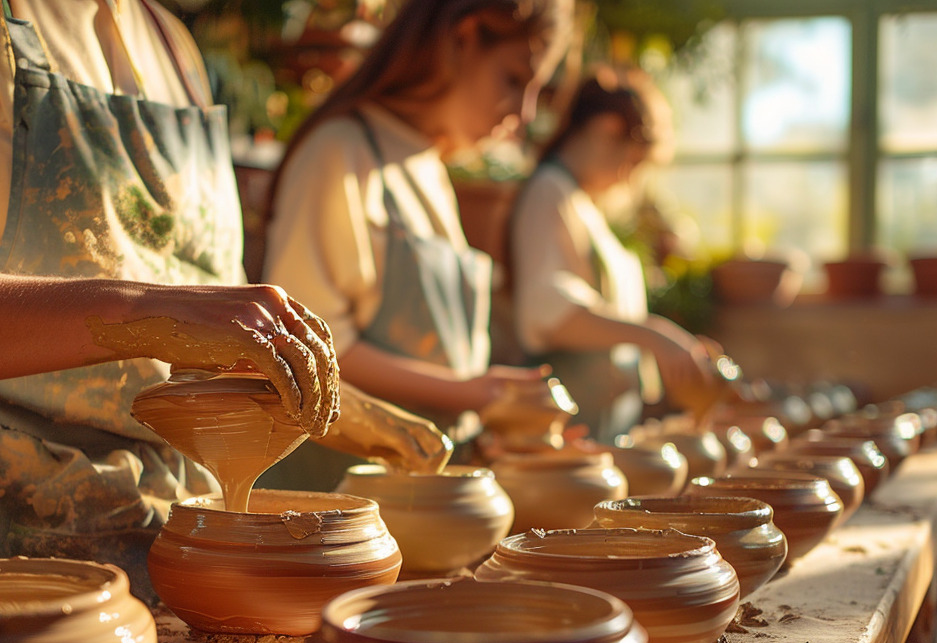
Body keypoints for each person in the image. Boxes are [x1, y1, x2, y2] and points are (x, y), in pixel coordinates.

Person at [0, 0, 445, 597]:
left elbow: (217, 340)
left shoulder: (172, 45)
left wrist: (365, 420)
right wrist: (136, 313)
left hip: (174, 542)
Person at [260, 0, 574, 488]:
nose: (525, 112)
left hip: (424, 492)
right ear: (463, 38)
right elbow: (311, 350)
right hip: (341, 507)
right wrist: (475, 392)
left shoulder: (426, 164)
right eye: (514, 79)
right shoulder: (340, 151)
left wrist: (488, 408)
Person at [507, 66, 716, 444]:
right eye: (634, 163)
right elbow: (547, 314)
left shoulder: (580, 203)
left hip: (605, 426)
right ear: (605, 130)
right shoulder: (548, 192)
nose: (629, 180)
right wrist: (655, 336)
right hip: (570, 431)